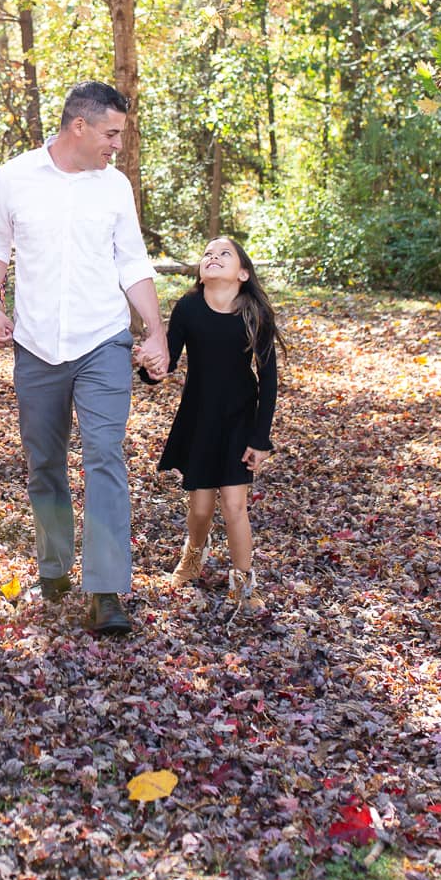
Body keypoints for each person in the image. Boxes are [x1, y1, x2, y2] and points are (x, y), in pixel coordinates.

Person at [0, 81, 169, 638]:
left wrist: (154, 332)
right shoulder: (15, 178)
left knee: (106, 456)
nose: (117, 146)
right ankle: (55, 567)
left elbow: (132, 262)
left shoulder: (115, 188)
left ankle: (105, 591)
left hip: (103, 340)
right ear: (78, 127)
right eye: (111, 134)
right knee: (45, 464)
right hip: (36, 346)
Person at [140, 235, 283, 620]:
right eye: (207, 254)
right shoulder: (188, 308)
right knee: (201, 507)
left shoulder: (255, 313)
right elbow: (164, 365)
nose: (213, 257)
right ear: (201, 273)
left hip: (240, 420)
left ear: (243, 273)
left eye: (224, 254)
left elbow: (267, 380)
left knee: (235, 505)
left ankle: (244, 585)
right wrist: (150, 366)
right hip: (199, 418)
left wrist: (260, 438)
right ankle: (193, 554)